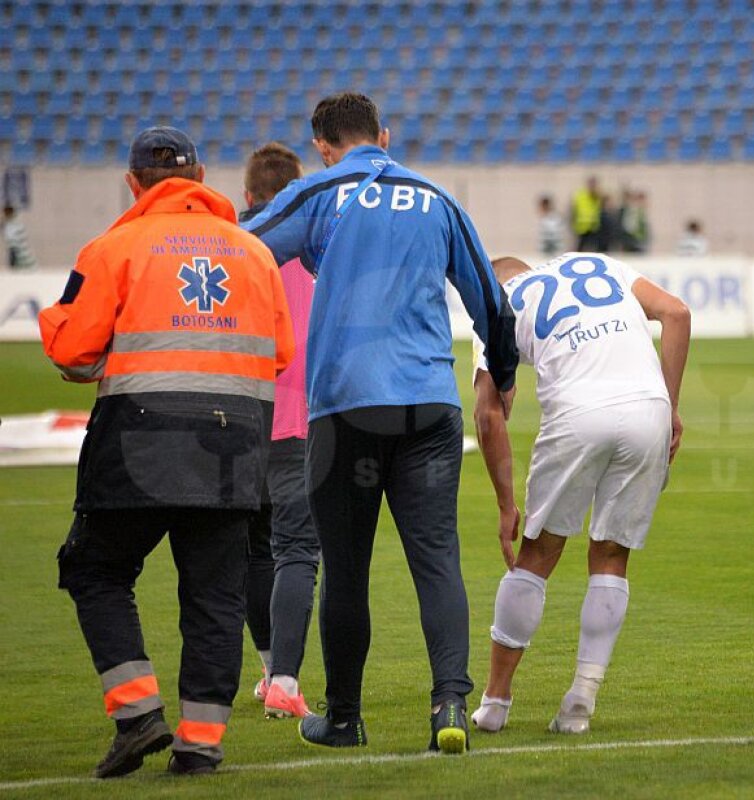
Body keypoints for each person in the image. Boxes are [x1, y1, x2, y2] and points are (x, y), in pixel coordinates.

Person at [242, 92, 519, 754]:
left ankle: (344, 717)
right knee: (437, 559)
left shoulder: (321, 192)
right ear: (385, 135)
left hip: (346, 408)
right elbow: (491, 302)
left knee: (345, 569)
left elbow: (243, 250)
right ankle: (449, 704)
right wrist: (503, 376)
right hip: (428, 404)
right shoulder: (436, 198)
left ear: (322, 144)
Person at [39, 126, 294, 777]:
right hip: (234, 443)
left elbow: (72, 349)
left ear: (133, 182)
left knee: (94, 568)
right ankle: (200, 744)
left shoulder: (114, 247)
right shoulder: (253, 253)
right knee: (214, 597)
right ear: (201, 176)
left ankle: (136, 713)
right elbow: (283, 352)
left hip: (138, 439)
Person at [468, 253, 690, 735]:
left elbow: (488, 414)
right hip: (647, 405)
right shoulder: (596, 262)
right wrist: (670, 408)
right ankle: (580, 704)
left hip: (578, 411)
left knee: (537, 555)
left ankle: (495, 702)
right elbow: (677, 313)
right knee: (611, 554)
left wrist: (506, 505)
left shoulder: (498, 301)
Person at [238, 142, 319, 718]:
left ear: (247, 196)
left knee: (250, 550)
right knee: (296, 552)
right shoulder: (315, 248)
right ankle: (284, 682)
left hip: (231, 425)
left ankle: (268, 668)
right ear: (298, 189)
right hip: (297, 422)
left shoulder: (222, 249)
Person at [571, 176, 603, 251]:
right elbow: (574, 209)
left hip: (593, 226)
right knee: (580, 248)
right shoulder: (580, 195)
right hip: (582, 226)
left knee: (594, 248)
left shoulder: (597, 195)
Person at [3, 204, 37, 269]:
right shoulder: (17, 223)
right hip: (25, 259)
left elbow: (13, 247)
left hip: (21, 260)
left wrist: (12, 264)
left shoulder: (11, 226)